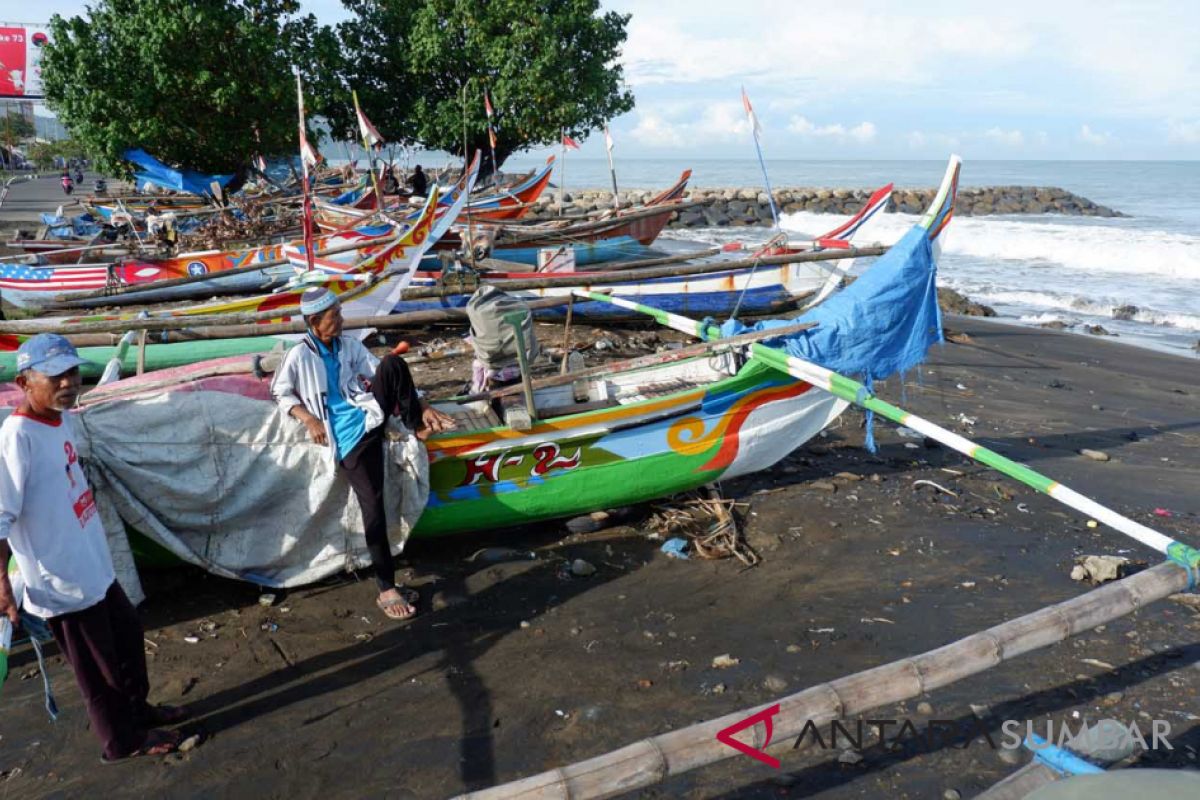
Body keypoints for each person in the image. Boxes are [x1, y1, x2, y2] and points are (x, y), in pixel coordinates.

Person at [0, 334, 187, 763]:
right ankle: (119, 742)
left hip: (94, 567)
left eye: (71, 373)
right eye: (55, 376)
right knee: (97, 672)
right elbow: (1, 517)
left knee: (127, 642)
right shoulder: (16, 437)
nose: (68, 383)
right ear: (25, 383)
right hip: (61, 581)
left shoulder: (58, 419)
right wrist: (3, 587)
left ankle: (137, 713)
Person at [270, 288, 456, 620]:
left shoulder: (349, 346)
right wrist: (309, 419)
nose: (341, 320)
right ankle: (386, 588)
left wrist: (423, 405)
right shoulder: (299, 355)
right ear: (315, 321)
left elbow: (380, 374)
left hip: (370, 417)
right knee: (374, 509)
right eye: (335, 316)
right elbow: (280, 392)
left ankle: (415, 424)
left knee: (393, 362)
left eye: (339, 313)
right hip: (348, 441)